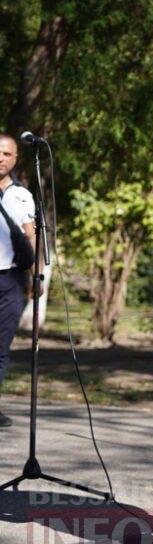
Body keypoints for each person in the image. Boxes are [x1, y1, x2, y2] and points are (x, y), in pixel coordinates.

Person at [0, 135, 35, 430]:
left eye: (6, 153)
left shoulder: (22, 195)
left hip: (10, 278)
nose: (0, 158)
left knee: (1, 345)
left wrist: (35, 275)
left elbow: (30, 235)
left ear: (14, 159)